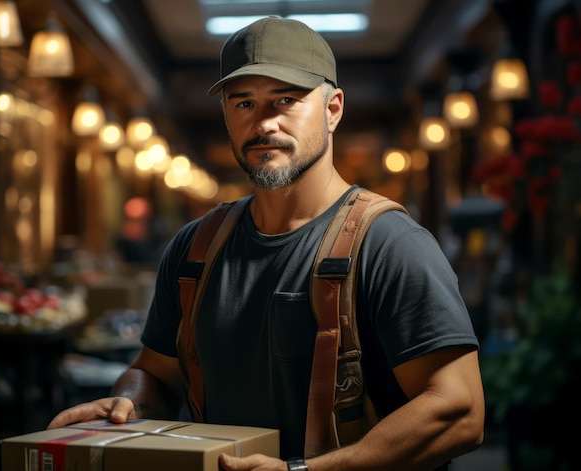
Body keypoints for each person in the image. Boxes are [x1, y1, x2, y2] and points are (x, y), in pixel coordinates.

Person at [48, 16, 485, 471]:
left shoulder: (391, 245)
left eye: (286, 100)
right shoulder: (194, 248)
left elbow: (459, 411)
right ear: (226, 116)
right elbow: (154, 373)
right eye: (244, 104)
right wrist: (127, 406)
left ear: (333, 109)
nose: (264, 123)